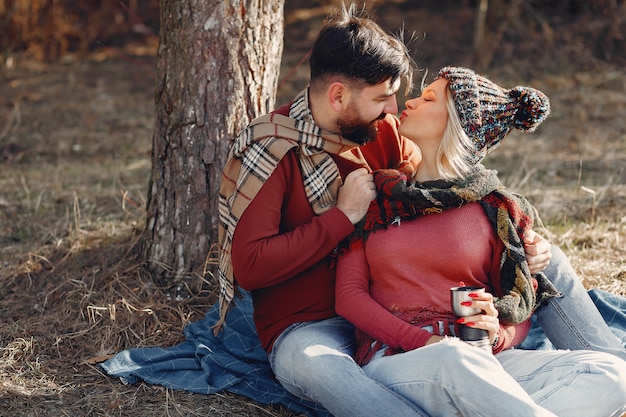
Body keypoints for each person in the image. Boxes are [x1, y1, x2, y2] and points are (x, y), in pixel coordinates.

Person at [215, 4, 626, 417]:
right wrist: (342, 217)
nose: (394, 109)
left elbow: (435, 185)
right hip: (315, 322)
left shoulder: (382, 130)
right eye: (382, 98)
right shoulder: (272, 150)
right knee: (318, 366)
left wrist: (519, 245)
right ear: (338, 96)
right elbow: (250, 267)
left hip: (419, 316)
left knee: (550, 267)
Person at [334, 66, 626, 416]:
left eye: (429, 99)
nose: (410, 102)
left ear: (457, 124)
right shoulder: (378, 197)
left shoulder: (497, 210)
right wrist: (427, 341)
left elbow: (520, 304)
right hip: (400, 359)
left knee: (612, 373)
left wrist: (498, 335)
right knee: (452, 358)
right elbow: (349, 298)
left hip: (484, 361)